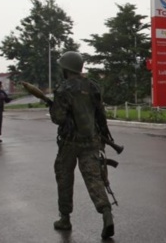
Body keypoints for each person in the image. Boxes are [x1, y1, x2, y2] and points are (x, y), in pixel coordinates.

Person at [50, 51, 116, 239]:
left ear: (66, 69)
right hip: (91, 140)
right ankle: (106, 212)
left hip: (70, 142)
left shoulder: (64, 89)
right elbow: (100, 114)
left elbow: (58, 118)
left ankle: (65, 218)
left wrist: (53, 107)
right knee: (94, 178)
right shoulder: (92, 86)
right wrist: (102, 136)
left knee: (64, 177)